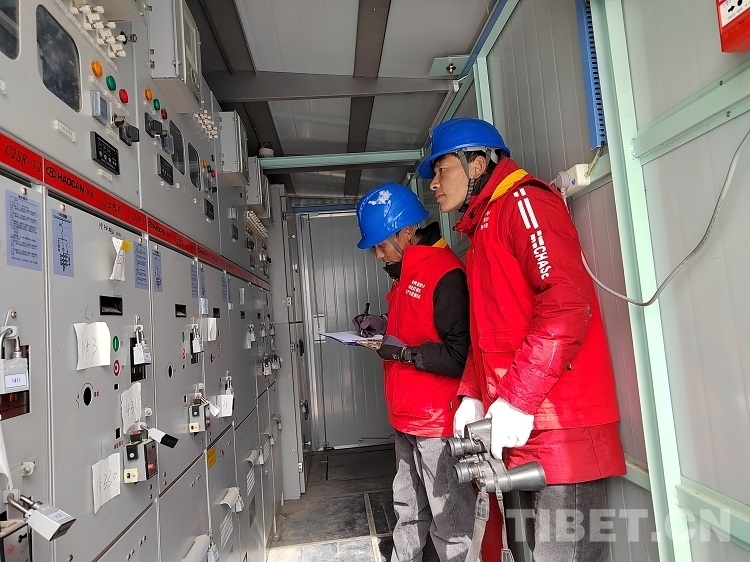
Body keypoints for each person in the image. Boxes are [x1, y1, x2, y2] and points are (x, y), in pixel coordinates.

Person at [419, 117, 626, 561]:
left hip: (559, 427)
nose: (433, 183)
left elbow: (567, 306)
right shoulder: (483, 227)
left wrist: (516, 399)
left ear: (477, 164)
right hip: (523, 426)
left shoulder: (524, 203)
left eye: (441, 169)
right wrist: (473, 393)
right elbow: (489, 332)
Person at [354, 182, 476, 562]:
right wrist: (381, 326)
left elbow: (460, 354)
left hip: (437, 424)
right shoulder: (406, 271)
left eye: (380, 245)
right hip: (407, 420)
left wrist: (404, 354)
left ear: (406, 232)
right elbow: (415, 324)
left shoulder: (445, 273)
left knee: (451, 524)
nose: (378, 254)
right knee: (407, 512)